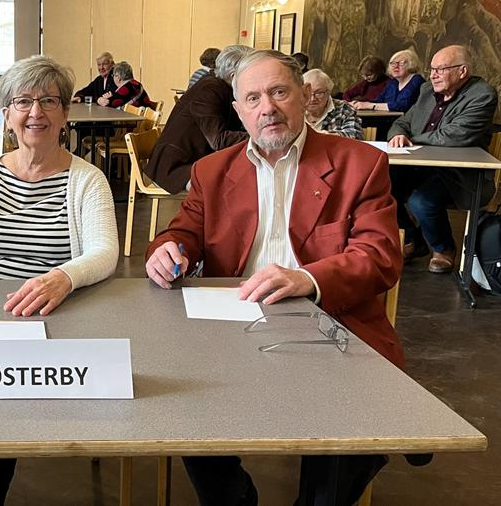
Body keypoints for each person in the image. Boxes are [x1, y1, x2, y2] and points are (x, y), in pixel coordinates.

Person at [145, 50, 404, 506]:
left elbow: (379, 255)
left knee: (353, 429)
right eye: (253, 98)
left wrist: (308, 278)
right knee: (180, 404)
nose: (267, 107)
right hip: (229, 328)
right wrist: (167, 249)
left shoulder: (359, 164)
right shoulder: (212, 170)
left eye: (279, 92)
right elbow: (183, 232)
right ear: (239, 110)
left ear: (304, 96)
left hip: (331, 324)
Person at [0, 54, 117, 506]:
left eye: (48, 101)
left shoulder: (87, 180)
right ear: (7, 114)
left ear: (65, 113)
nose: (36, 112)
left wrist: (62, 278)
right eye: (23, 101)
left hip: (52, 322)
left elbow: (104, 253)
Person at [387, 45, 498, 273]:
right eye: (432, 69)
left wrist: (411, 140)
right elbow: (403, 121)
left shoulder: (482, 94)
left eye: (441, 69)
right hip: (419, 165)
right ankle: (413, 239)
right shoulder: (427, 90)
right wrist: (398, 134)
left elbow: (455, 135)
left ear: (462, 71)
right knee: (378, 185)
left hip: (458, 172)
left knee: (421, 201)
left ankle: (444, 248)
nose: (433, 75)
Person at [144, 44, 252, 193]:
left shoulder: (220, 85)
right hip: (176, 167)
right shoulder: (210, 89)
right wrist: (258, 136)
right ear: (234, 76)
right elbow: (219, 140)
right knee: (234, 188)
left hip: (195, 160)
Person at [352, 48, 425, 113]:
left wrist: (371, 106)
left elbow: (402, 106)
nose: (396, 66)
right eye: (393, 63)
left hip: (406, 122)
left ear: (411, 64)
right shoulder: (393, 82)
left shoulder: (416, 80)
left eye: (401, 63)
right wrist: (357, 103)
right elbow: (378, 100)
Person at [302, 69, 362, 139]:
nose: (312, 99)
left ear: (329, 92)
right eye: (307, 93)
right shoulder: (294, 109)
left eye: (319, 93)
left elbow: (356, 135)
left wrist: (330, 137)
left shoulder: (344, 109)